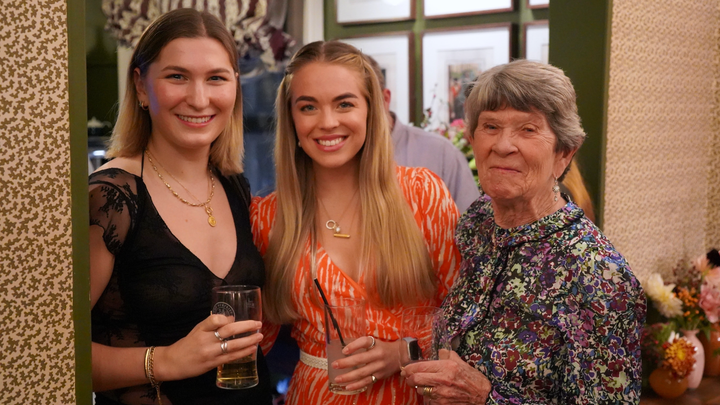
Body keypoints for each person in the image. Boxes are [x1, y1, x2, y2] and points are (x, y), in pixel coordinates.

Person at [402, 59, 646, 404]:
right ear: (472, 139)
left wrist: (485, 398)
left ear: (564, 153)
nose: (503, 145)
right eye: (490, 126)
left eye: (528, 129)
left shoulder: (598, 274)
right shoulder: (478, 222)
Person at [251, 41, 460, 405]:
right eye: (308, 107)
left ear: (370, 110)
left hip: (414, 395)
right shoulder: (268, 217)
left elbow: (466, 317)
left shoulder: (422, 194)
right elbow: (255, 339)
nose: (327, 122)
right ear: (292, 119)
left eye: (344, 104)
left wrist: (404, 351)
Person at [88, 9, 273, 405]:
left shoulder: (233, 185)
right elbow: (47, 350)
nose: (199, 98)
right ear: (141, 86)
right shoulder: (110, 196)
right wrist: (166, 361)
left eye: (216, 78)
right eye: (177, 76)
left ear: (235, 86)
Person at [365, 55, 479, 213]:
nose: (333, 121)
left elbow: (471, 222)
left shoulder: (441, 153)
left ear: (385, 99)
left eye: (346, 104)